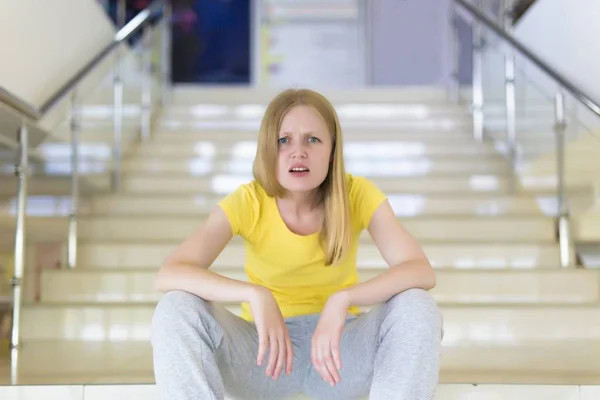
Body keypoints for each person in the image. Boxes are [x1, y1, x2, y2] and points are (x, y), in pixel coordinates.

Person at [151, 88, 443, 400]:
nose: (298, 152)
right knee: (175, 307)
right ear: (268, 149)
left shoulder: (356, 193)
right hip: (265, 357)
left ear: (332, 151)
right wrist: (254, 293)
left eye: (312, 139)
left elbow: (420, 271)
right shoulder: (249, 200)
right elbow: (170, 274)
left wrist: (343, 299)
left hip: (338, 356)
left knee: (418, 306)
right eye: (283, 140)